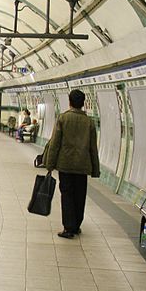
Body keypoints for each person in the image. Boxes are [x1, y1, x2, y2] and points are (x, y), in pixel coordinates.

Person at [43, 89, 100, 239]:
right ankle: (76, 225)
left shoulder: (63, 118)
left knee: (67, 195)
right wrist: (95, 169)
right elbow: (93, 147)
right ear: (83, 103)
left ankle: (68, 227)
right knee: (80, 195)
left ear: (69, 102)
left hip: (65, 164)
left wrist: (50, 164)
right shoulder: (89, 122)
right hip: (83, 165)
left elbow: (55, 143)